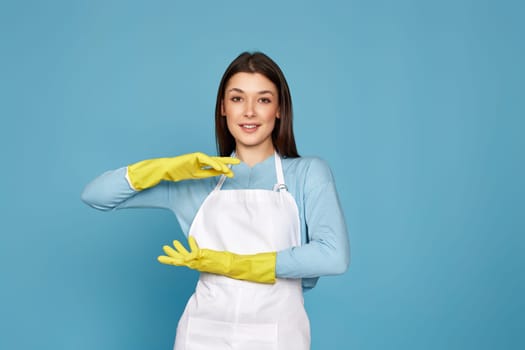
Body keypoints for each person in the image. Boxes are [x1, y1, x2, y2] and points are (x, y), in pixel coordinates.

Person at [81, 51, 350, 350]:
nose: (249, 111)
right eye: (237, 99)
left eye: (263, 99)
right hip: (201, 334)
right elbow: (95, 196)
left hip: (277, 335)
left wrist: (233, 264)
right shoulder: (197, 181)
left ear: (279, 110)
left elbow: (333, 256)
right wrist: (165, 168)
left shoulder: (307, 173)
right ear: (223, 108)